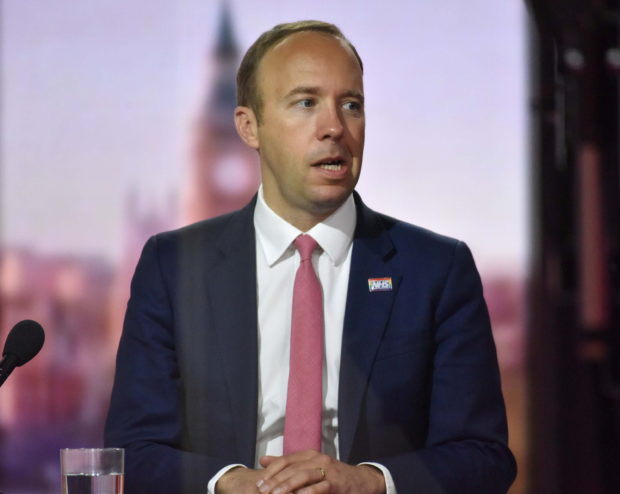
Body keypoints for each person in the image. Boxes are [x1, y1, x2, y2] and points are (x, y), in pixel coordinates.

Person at [104, 20, 516, 494]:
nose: (335, 128)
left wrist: (369, 483)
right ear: (249, 126)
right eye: (306, 103)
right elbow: (134, 450)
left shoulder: (437, 271)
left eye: (351, 105)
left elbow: (483, 457)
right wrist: (228, 484)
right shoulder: (172, 267)